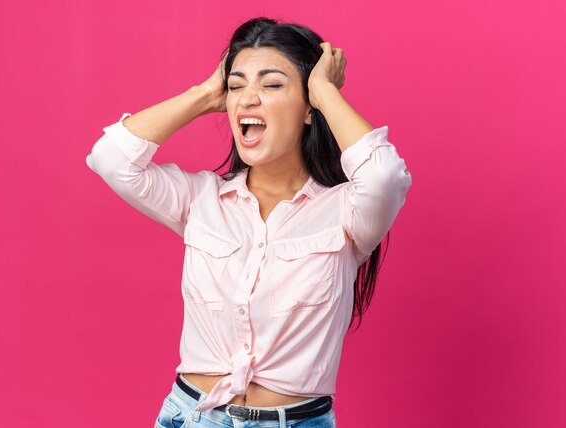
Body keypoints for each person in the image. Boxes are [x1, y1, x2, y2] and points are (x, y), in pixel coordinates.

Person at [86, 16, 412, 428]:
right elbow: (111, 158)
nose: (248, 98)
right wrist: (206, 94)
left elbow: (383, 176)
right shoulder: (202, 199)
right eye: (237, 85)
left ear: (309, 107)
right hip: (189, 415)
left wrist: (325, 92)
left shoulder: (346, 211)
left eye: (271, 84)